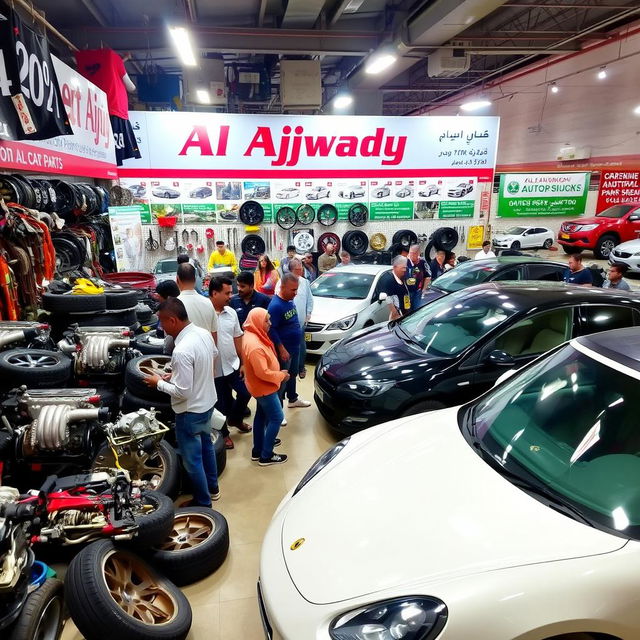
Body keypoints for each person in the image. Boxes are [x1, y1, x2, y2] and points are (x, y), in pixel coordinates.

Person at [144, 298, 220, 505]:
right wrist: (177, 375)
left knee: (192, 460)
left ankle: (203, 502)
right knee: (207, 447)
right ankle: (213, 488)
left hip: (190, 412)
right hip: (207, 403)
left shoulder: (181, 350)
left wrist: (158, 382)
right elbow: (213, 355)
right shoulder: (203, 334)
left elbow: (182, 392)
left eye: (162, 321)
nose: (161, 326)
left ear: (173, 320)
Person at [242, 308, 289, 466]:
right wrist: (282, 375)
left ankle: (258, 449)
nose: (270, 323)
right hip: (264, 388)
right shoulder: (255, 345)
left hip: (258, 386)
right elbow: (264, 373)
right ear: (257, 321)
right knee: (276, 417)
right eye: (266, 320)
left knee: (261, 416)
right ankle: (266, 455)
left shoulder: (251, 333)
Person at [209, 277, 252, 450]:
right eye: (227, 293)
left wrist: (243, 362)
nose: (231, 295)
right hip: (214, 370)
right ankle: (224, 434)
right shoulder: (205, 314)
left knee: (246, 392)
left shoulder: (231, 312)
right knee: (220, 404)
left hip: (233, 365)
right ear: (214, 293)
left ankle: (235, 419)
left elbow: (238, 337)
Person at [268, 273, 311, 411]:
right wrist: (281, 348)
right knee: (282, 379)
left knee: (292, 374)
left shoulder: (289, 301)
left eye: (296, 289)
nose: (295, 293)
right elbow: (271, 329)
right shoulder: (275, 306)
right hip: (284, 350)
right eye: (293, 290)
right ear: (283, 287)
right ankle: (278, 411)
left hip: (294, 346)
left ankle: (292, 399)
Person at [276, 258, 314, 379]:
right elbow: (279, 298)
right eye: (298, 269)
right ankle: (286, 370)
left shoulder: (305, 282)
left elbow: (309, 299)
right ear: (291, 270)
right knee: (288, 348)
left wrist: (308, 313)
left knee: (301, 346)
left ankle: (300, 367)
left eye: (301, 269)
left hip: (300, 323)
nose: (301, 271)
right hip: (286, 324)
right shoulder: (281, 282)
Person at [177, 263, 217, 343]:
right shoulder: (208, 302)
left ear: (177, 279)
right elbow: (214, 334)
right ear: (195, 279)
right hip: (207, 352)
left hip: (185, 354)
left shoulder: (175, 304)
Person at [379, 256, 410, 321]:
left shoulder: (403, 276)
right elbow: (389, 298)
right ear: (395, 267)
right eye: (402, 268)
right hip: (398, 314)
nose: (404, 270)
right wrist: (395, 312)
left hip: (405, 310)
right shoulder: (389, 280)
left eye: (405, 268)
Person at [405, 244, 431, 311]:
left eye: (414, 253)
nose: (412, 255)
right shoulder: (404, 262)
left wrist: (424, 289)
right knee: (406, 312)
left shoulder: (422, 262)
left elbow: (428, 276)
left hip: (417, 292)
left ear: (418, 253)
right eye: (410, 253)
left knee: (416, 310)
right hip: (406, 293)